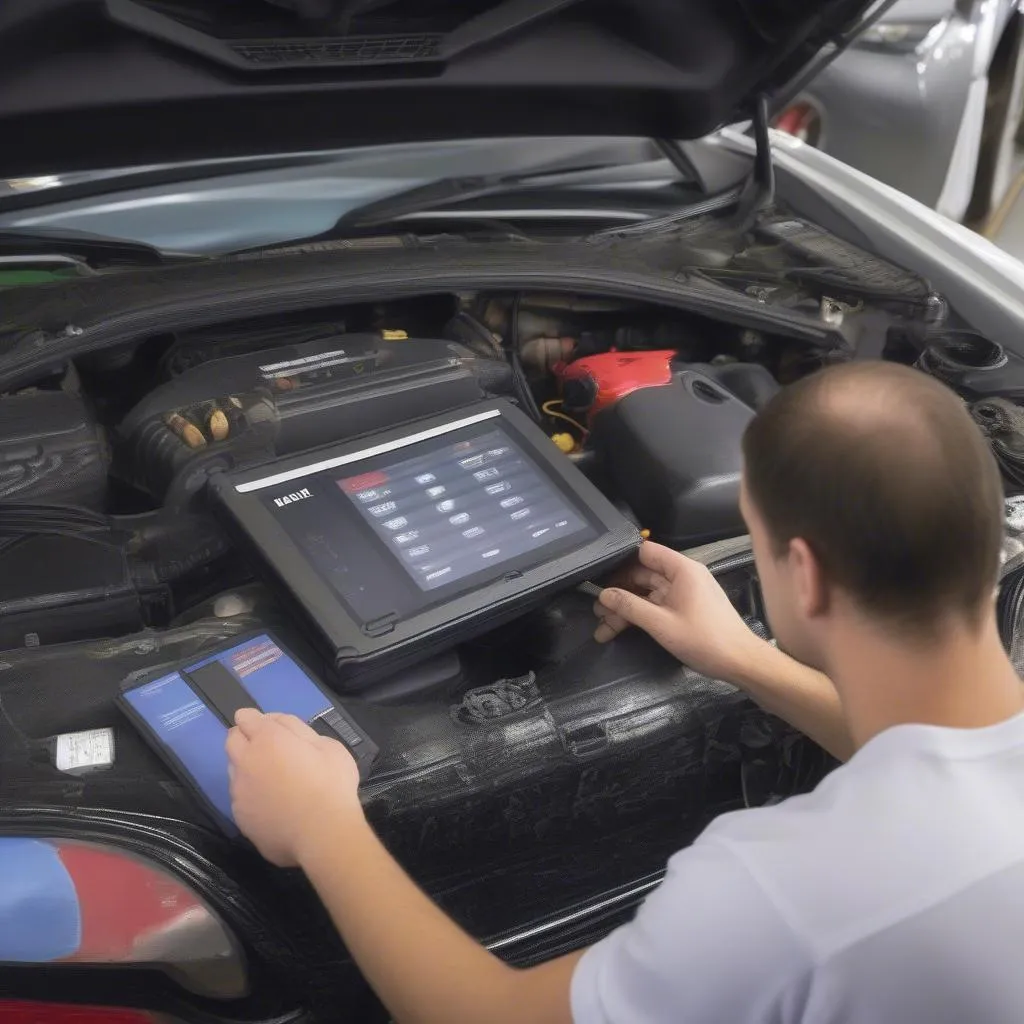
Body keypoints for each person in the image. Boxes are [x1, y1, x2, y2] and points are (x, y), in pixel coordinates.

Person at [225, 360, 1024, 1024]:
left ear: (804, 575)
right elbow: (940, 769)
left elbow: (488, 1016)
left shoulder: (787, 887)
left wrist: (322, 827)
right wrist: (745, 659)